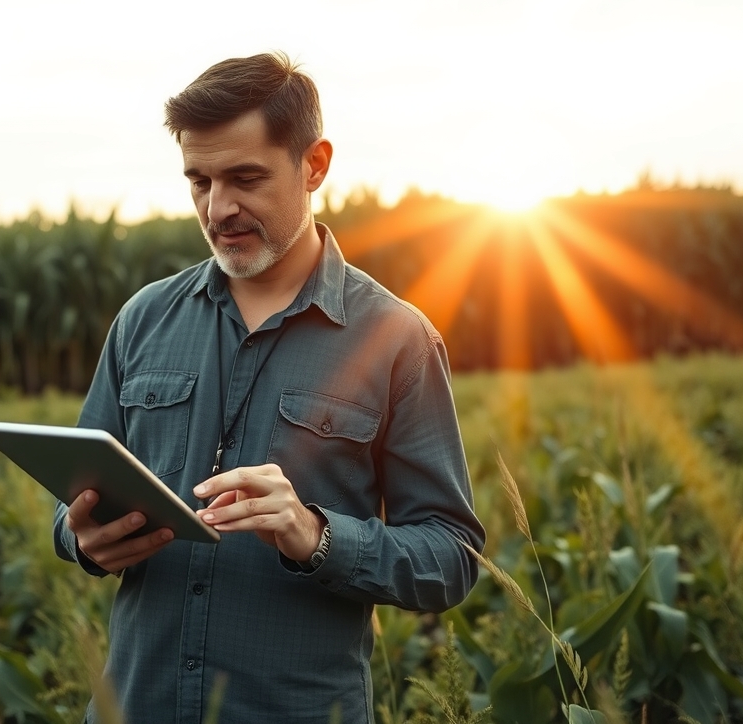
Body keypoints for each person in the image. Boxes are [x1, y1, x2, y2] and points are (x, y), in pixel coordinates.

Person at [52, 51, 485, 723]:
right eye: (199, 181)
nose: (218, 207)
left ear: (314, 164)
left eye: (245, 178)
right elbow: (74, 503)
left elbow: (450, 558)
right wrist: (80, 539)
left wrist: (316, 534)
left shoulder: (398, 339)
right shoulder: (142, 320)